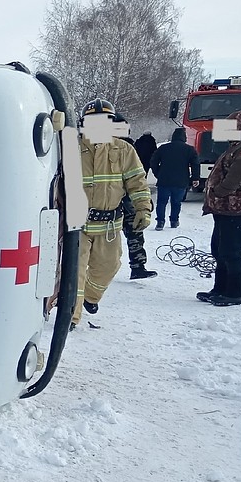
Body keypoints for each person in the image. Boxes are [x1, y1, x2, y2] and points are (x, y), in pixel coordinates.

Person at [72, 99, 153, 329]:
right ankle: (72, 317)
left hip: (109, 226)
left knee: (109, 266)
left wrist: (143, 209)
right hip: (77, 224)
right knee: (75, 272)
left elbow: (138, 183)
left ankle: (91, 297)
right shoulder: (70, 148)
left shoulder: (124, 149)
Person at [198, 110, 241, 306]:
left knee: (231, 252)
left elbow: (234, 179)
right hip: (224, 210)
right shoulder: (234, 147)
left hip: (235, 211)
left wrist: (218, 192)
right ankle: (220, 289)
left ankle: (235, 293)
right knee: (219, 250)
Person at [116, 116, 156, 279]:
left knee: (134, 232)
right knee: (133, 233)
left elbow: (135, 177)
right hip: (120, 200)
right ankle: (137, 266)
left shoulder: (129, 146)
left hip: (125, 199)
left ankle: (138, 266)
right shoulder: (126, 146)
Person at [150, 128, 200, 229]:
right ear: (184, 138)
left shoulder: (163, 148)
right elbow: (195, 164)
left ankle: (160, 222)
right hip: (181, 181)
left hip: (164, 180)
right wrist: (195, 178)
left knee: (161, 202)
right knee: (176, 202)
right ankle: (174, 220)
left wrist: (158, 174)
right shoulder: (189, 149)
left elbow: (153, 161)